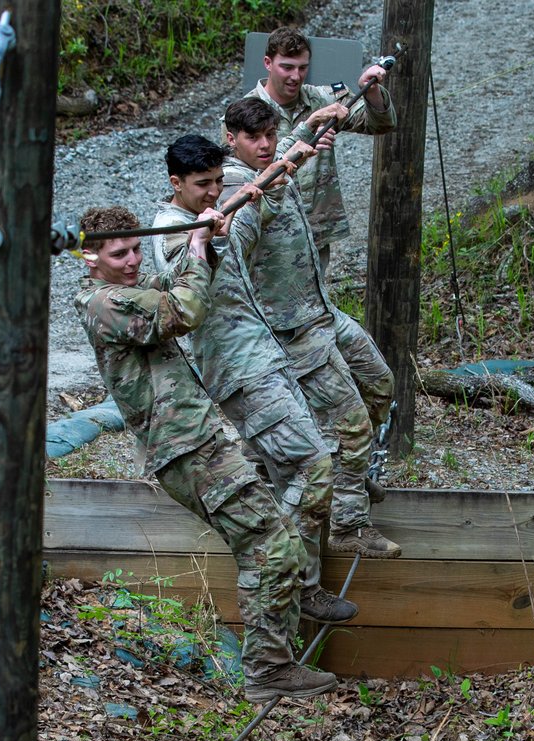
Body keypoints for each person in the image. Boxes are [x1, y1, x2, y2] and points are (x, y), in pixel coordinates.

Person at [73, 205, 335, 704]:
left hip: (199, 441)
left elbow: (177, 285)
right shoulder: (105, 304)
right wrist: (194, 244)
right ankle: (268, 669)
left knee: (272, 540)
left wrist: (208, 242)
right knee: (269, 545)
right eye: (118, 253)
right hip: (185, 450)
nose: (131, 261)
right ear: (90, 259)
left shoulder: (129, 289)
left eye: (133, 249)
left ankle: (277, 647)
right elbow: (184, 311)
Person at [150, 134, 357, 625]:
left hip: (266, 357)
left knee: (291, 470)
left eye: (220, 182)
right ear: (175, 183)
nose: (214, 192)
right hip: (240, 371)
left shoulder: (213, 215)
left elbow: (241, 240)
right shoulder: (169, 230)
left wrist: (269, 187)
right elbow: (185, 296)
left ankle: (298, 585)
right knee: (314, 466)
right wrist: (203, 238)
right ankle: (283, 572)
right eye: (203, 184)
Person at [221, 98, 400, 560]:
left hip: (320, 311)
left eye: (268, 136)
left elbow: (283, 149)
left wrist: (309, 124)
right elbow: (238, 220)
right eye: (252, 138)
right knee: (351, 426)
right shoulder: (234, 185)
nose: (264, 146)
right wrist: (277, 175)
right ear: (230, 139)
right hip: (290, 330)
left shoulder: (274, 159)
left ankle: (351, 481)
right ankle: (349, 524)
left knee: (380, 384)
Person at [245, 26, 398, 473]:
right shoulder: (249, 114)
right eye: (286, 67)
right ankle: (275, 442)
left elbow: (380, 124)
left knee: (315, 332)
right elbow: (243, 176)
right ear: (268, 64)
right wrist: (304, 135)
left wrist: (370, 89)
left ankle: (329, 440)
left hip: (314, 234)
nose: (294, 77)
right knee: (278, 340)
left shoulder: (319, 97)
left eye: (302, 67)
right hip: (269, 242)